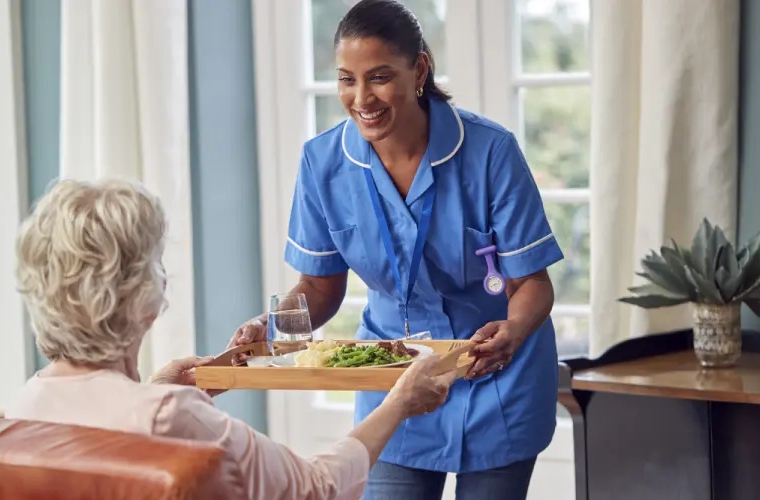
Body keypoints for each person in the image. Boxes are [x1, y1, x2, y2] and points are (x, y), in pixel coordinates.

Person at [230, 0, 564, 498]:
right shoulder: (322, 162)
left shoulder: (491, 151)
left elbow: (531, 284)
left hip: (497, 379)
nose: (362, 97)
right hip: (395, 379)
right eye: (347, 79)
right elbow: (320, 286)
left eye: (380, 77)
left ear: (420, 70)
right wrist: (271, 327)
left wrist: (513, 331)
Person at [4, 178, 457, 500]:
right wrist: (399, 403)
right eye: (155, 262)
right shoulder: (172, 417)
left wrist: (155, 391)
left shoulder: (27, 404)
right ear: (142, 297)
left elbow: (105, 432)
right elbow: (318, 489)